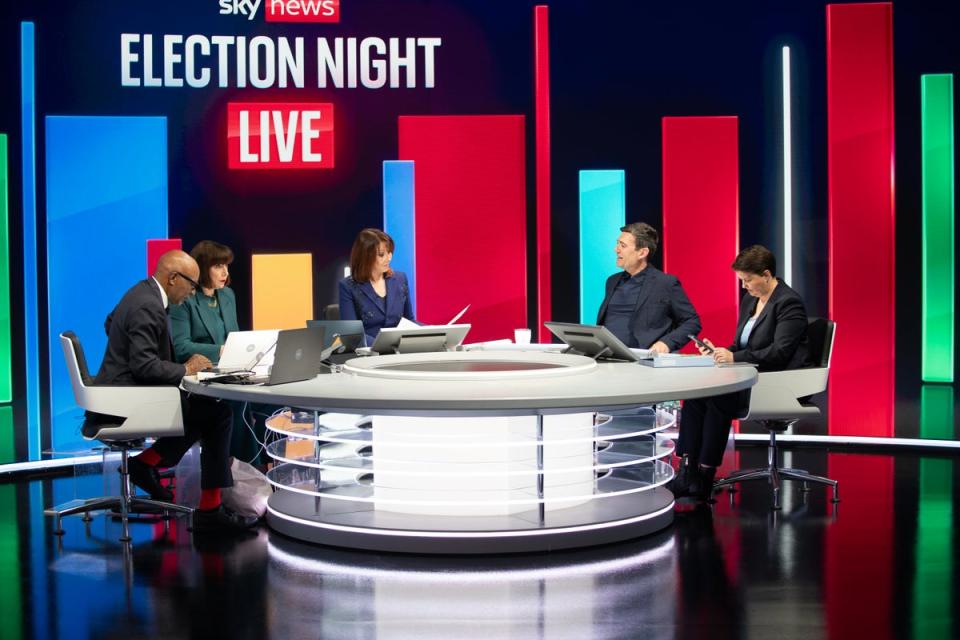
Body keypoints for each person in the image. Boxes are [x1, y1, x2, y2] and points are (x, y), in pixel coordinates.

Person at [84, 250, 257, 532]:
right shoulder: (148, 305)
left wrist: (126, 347)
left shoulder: (141, 292)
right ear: (173, 278)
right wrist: (185, 369)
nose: (191, 293)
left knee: (204, 411)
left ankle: (146, 464)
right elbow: (143, 366)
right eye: (190, 285)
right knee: (217, 414)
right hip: (125, 401)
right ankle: (209, 512)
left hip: (120, 392)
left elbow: (110, 322)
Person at [671, 245, 810, 501]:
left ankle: (705, 475)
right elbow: (744, 345)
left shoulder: (789, 303)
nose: (744, 286)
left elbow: (780, 353)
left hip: (777, 384)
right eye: (741, 281)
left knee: (719, 398)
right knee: (696, 394)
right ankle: (686, 471)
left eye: (748, 280)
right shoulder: (751, 300)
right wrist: (721, 351)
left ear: (766, 275)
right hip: (749, 378)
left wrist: (735, 357)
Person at [169, 241, 265, 465]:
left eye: (227, 266)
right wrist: (221, 350)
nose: (225, 272)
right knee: (237, 404)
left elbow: (236, 336)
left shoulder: (227, 295)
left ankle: (261, 468)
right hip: (201, 377)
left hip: (233, 371)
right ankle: (247, 469)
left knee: (271, 403)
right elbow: (181, 346)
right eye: (218, 266)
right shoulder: (185, 299)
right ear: (202, 268)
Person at [596, 222, 700, 353]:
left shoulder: (665, 283)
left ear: (642, 253)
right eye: (617, 244)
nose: (616, 249)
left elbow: (692, 322)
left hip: (643, 361)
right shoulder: (612, 281)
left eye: (622, 246)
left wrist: (666, 343)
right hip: (607, 356)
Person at [339, 228, 415, 345]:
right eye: (381, 254)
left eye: (389, 253)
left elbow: (409, 321)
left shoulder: (400, 279)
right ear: (365, 257)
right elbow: (351, 335)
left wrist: (436, 332)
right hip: (369, 356)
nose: (389, 258)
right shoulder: (348, 286)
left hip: (400, 352)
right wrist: (384, 347)